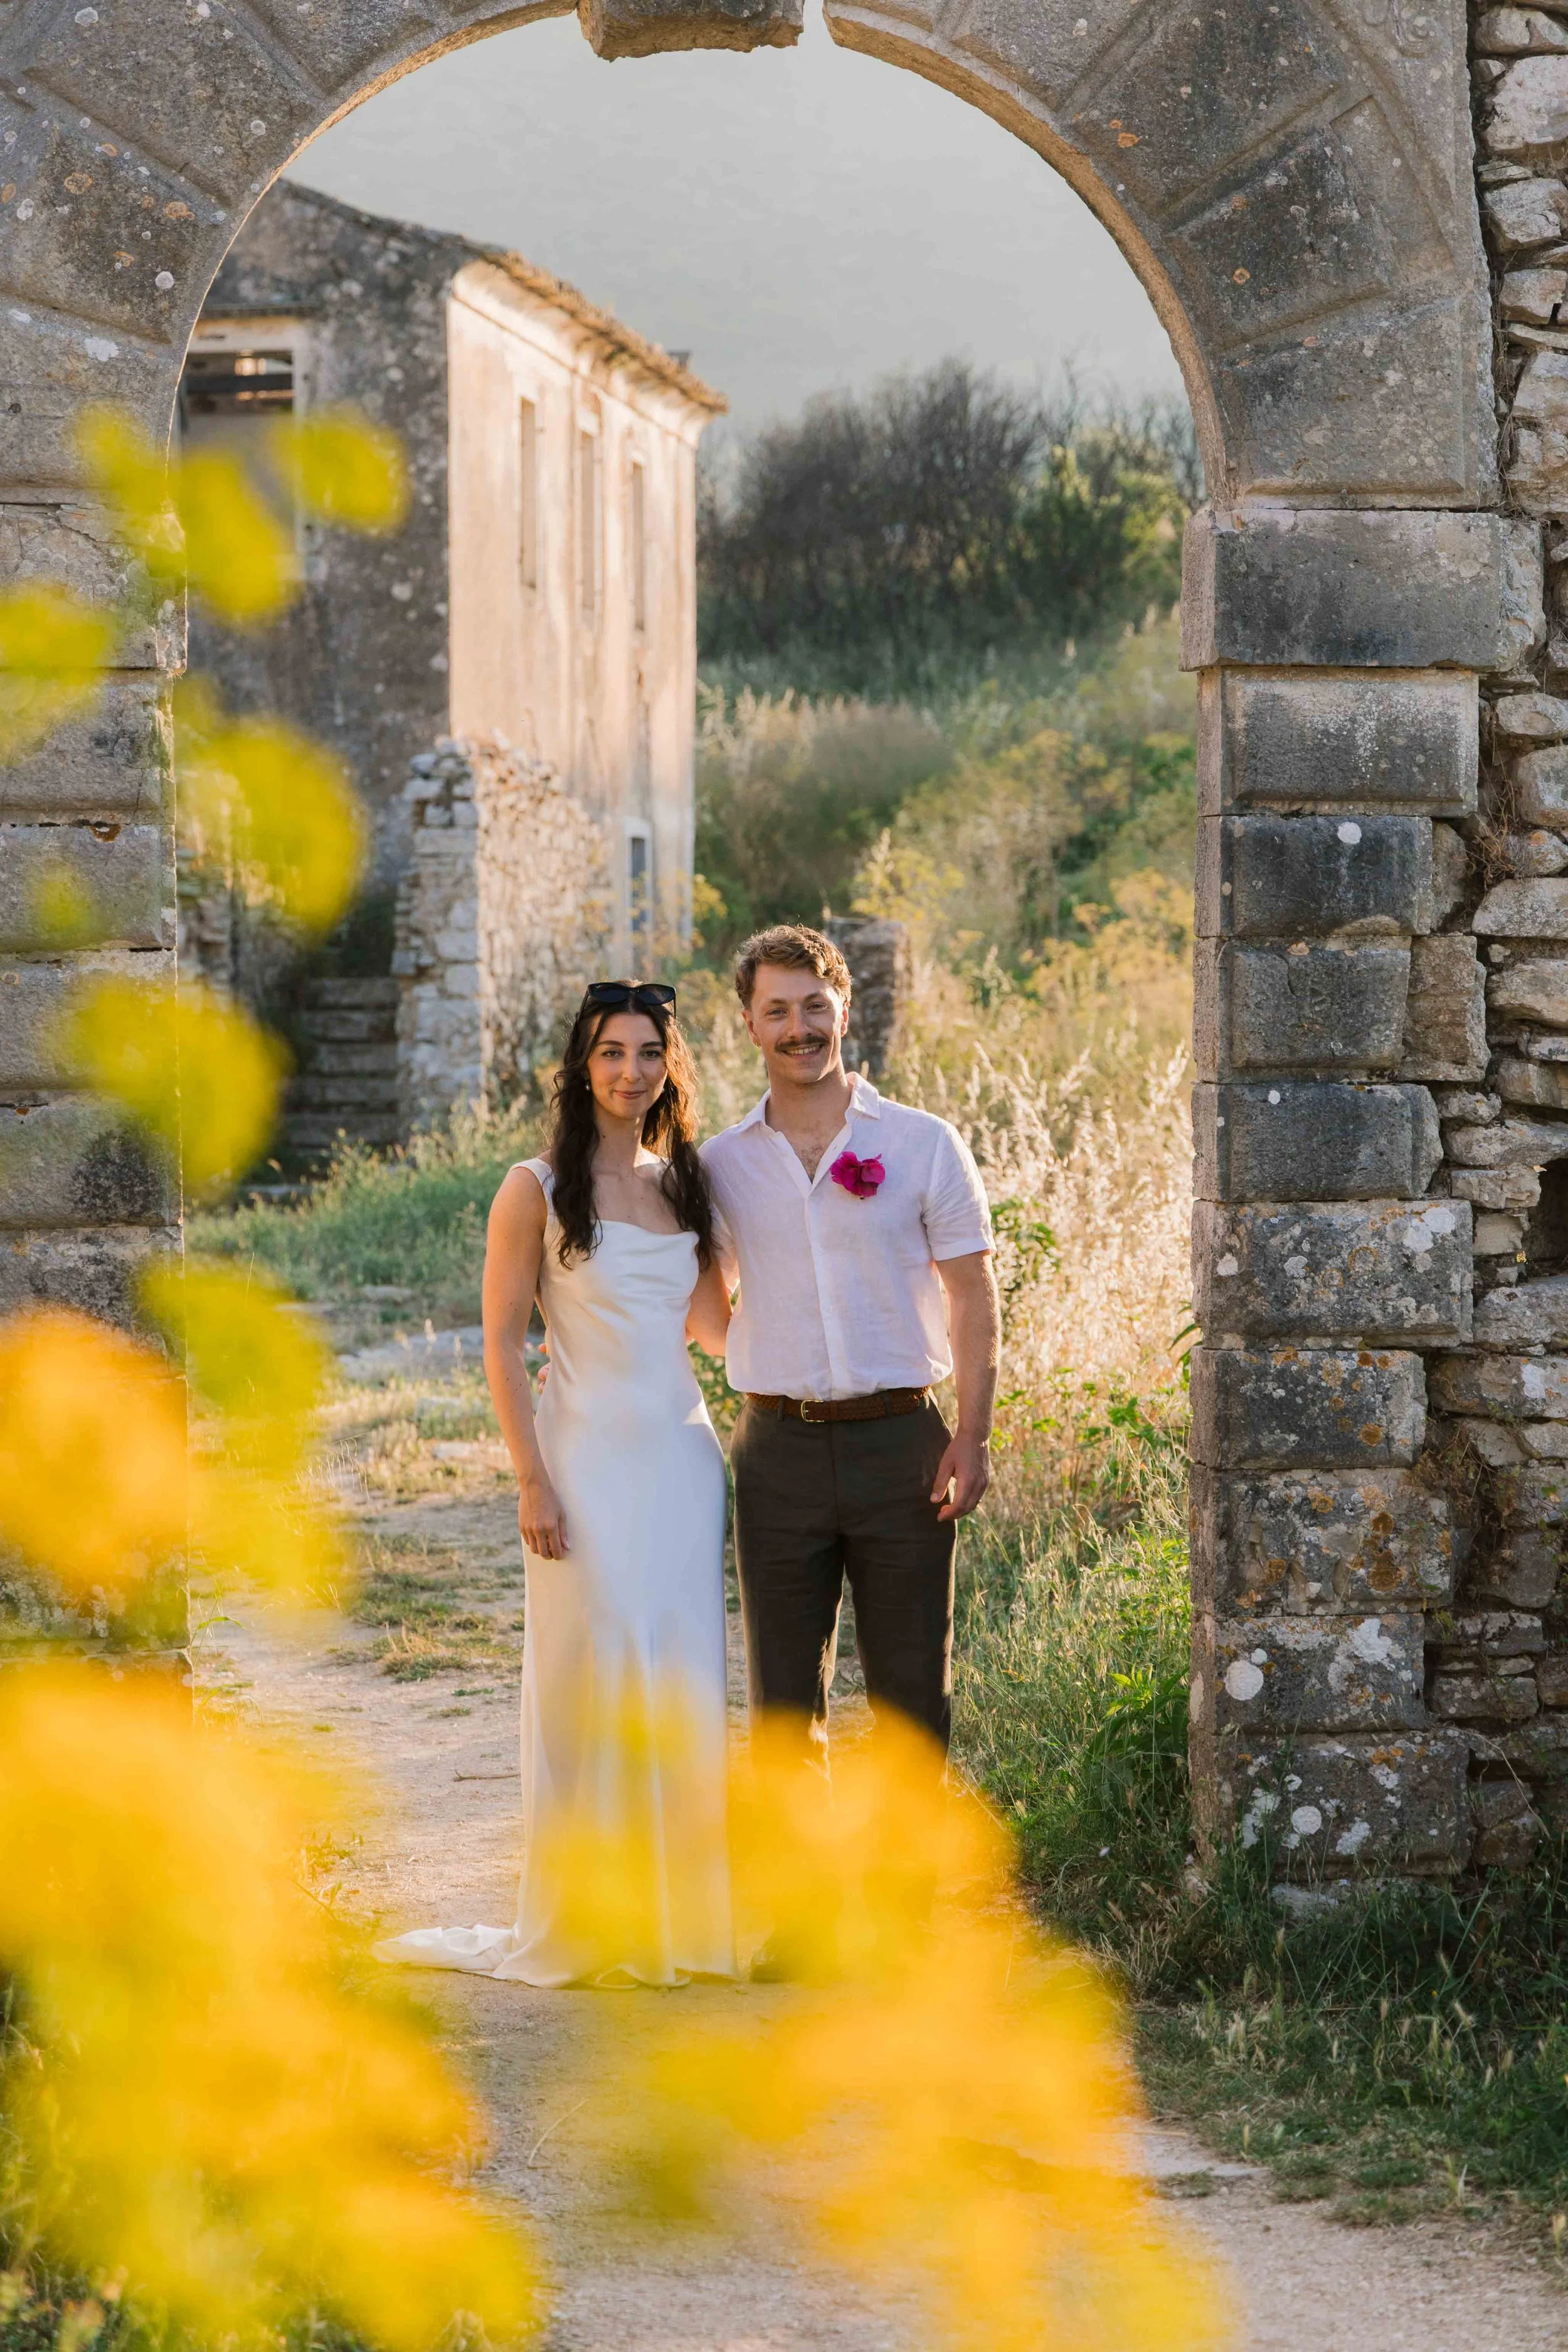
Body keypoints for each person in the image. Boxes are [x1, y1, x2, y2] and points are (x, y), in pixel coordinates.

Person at [374, 980, 735, 1988]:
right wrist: (530, 1474)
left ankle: (679, 1923)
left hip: (681, 1460)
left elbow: (715, 1332)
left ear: (673, 1064)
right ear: (583, 1065)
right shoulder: (532, 1185)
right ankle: (589, 1916)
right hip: (581, 1461)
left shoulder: (688, 1183)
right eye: (613, 1052)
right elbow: (499, 1339)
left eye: (650, 1052)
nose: (633, 1071)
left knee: (681, 1681)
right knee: (590, 1679)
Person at [702, 923, 1000, 1768]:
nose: (799, 1027)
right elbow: (693, 1297)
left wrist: (971, 1437)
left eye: (814, 1006)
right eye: (777, 1010)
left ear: (844, 1010)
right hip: (776, 1451)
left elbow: (973, 1295)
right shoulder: (720, 1164)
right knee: (782, 1708)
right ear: (751, 1025)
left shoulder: (921, 1142)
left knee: (911, 1693)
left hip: (903, 1444)